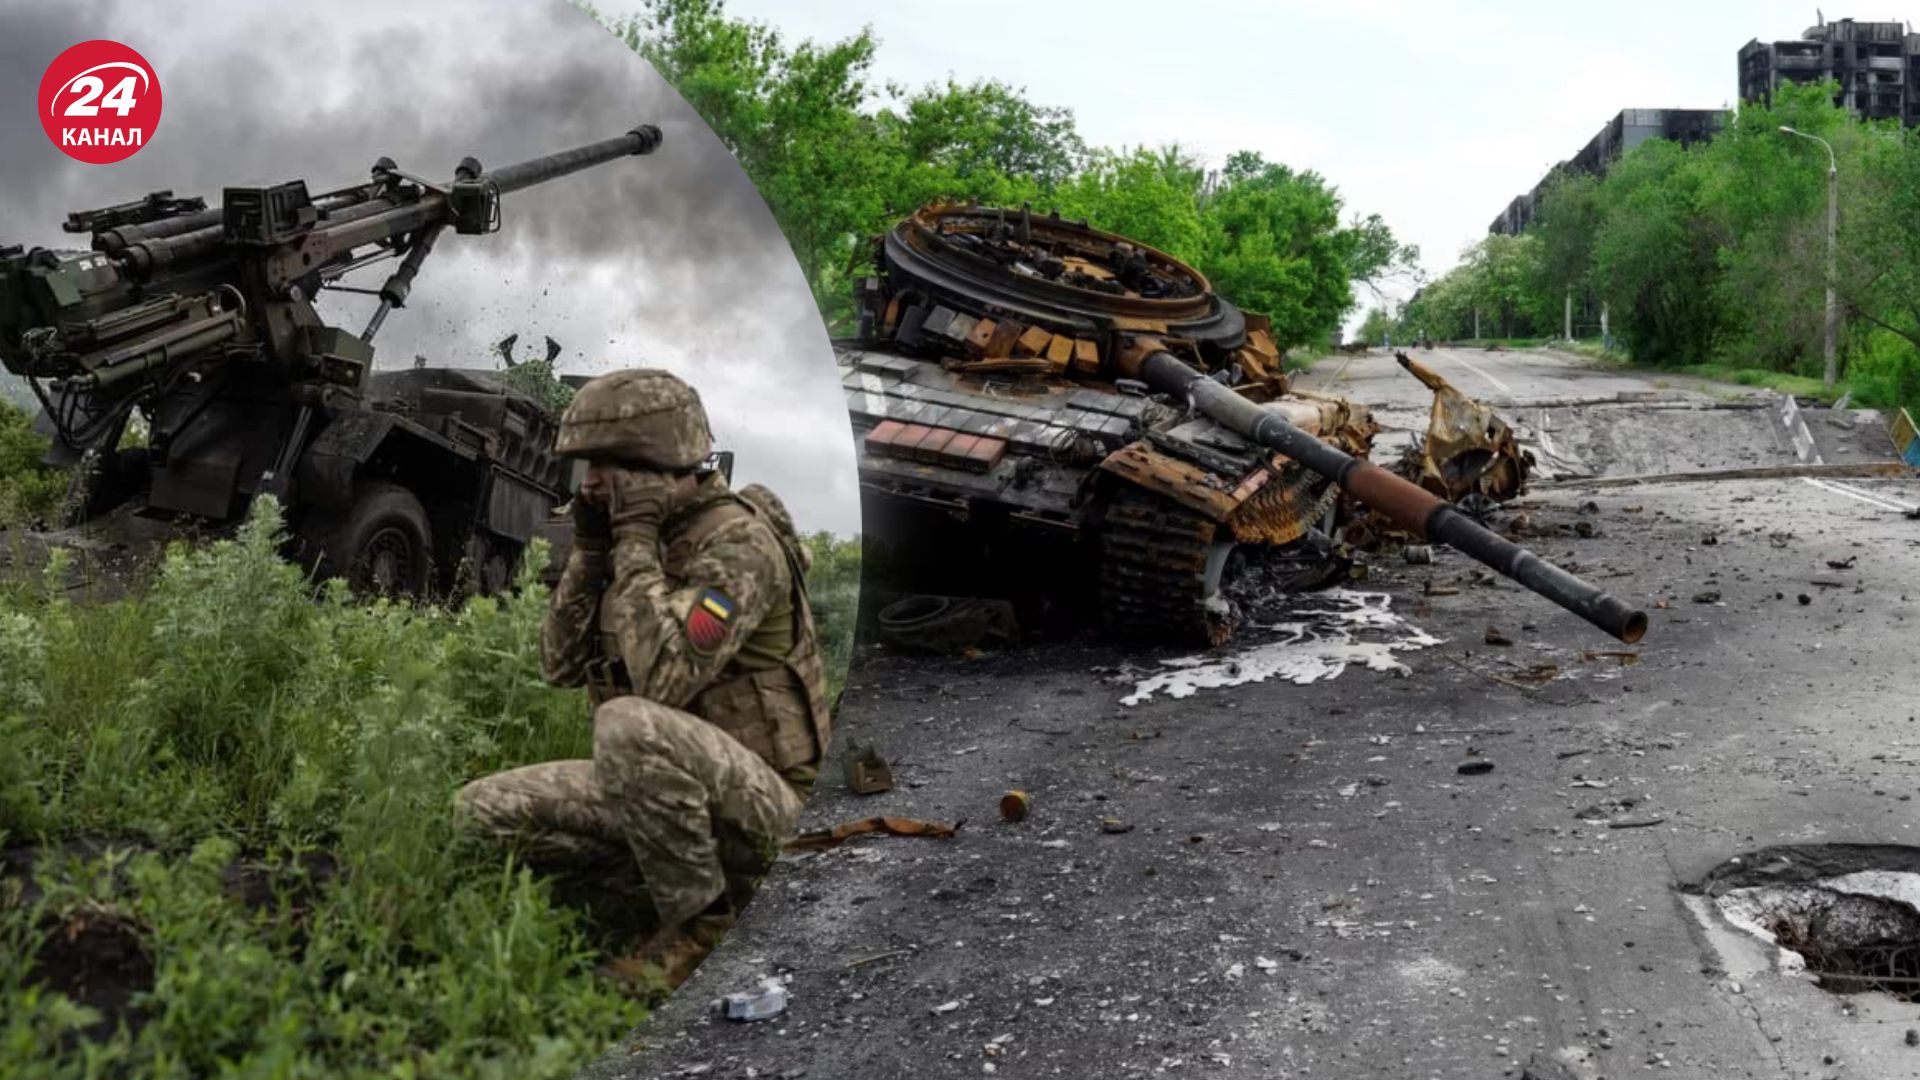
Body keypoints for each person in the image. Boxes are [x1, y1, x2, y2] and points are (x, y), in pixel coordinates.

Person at [455, 367, 831, 984]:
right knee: (481, 811)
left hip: (773, 818)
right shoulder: (639, 539)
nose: (594, 484)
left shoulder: (739, 546)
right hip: (675, 804)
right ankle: (660, 887)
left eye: (610, 466)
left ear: (667, 464)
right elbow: (560, 664)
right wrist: (593, 552)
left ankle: (703, 935)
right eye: (588, 468)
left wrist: (631, 542)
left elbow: (663, 682)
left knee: (627, 721)